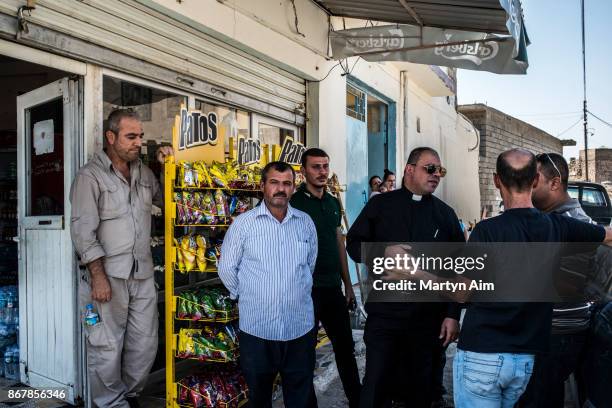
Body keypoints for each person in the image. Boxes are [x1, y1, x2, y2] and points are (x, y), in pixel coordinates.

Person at [454, 148, 612, 408]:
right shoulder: (558, 227)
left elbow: (461, 292)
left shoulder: (486, 231)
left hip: (485, 354)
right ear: (535, 180)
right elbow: (605, 234)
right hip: (525, 358)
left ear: (496, 180)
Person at [70, 109, 173, 408]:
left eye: (140, 136)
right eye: (131, 137)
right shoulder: (89, 176)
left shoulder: (143, 172)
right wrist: (97, 277)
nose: (138, 142)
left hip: (141, 275)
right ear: (111, 137)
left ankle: (129, 396)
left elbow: (166, 202)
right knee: (105, 345)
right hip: (106, 277)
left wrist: (168, 168)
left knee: (144, 344)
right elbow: (82, 232)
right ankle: (110, 404)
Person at [346, 147, 463, 408]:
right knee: (375, 387)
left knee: (420, 392)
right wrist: (381, 251)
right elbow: (353, 244)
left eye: (440, 171)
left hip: (427, 321)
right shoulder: (380, 205)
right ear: (410, 169)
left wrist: (452, 313)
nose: (436, 175)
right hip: (385, 318)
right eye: (429, 169)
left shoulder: (446, 215)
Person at [218, 161, 318, 408]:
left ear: (294, 188)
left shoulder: (305, 223)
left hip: (299, 328)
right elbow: (227, 268)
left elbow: (309, 265)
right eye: (274, 182)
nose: (280, 189)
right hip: (258, 330)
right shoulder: (244, 224)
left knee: (301, 398)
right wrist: (251, 296)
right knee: (259, 398)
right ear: (262, 186)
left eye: (286, 183)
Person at [516, 152, 594, 407]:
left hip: (557, 332)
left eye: (534, 180)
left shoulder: (571, 224)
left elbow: (565, 287)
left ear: (555, 183)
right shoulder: (551, 221)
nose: (527, 186)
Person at [290, 148, 361, 408]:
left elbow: (338, 243)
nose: (322, 172)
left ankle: (358, 399)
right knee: (304, 355)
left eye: (325, 166)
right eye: (316, 167)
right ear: (303, 171)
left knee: (345, 349)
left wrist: (347, 284)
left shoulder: (332, 203)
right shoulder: (294, 204)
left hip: (332, 289)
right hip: (305, 292)